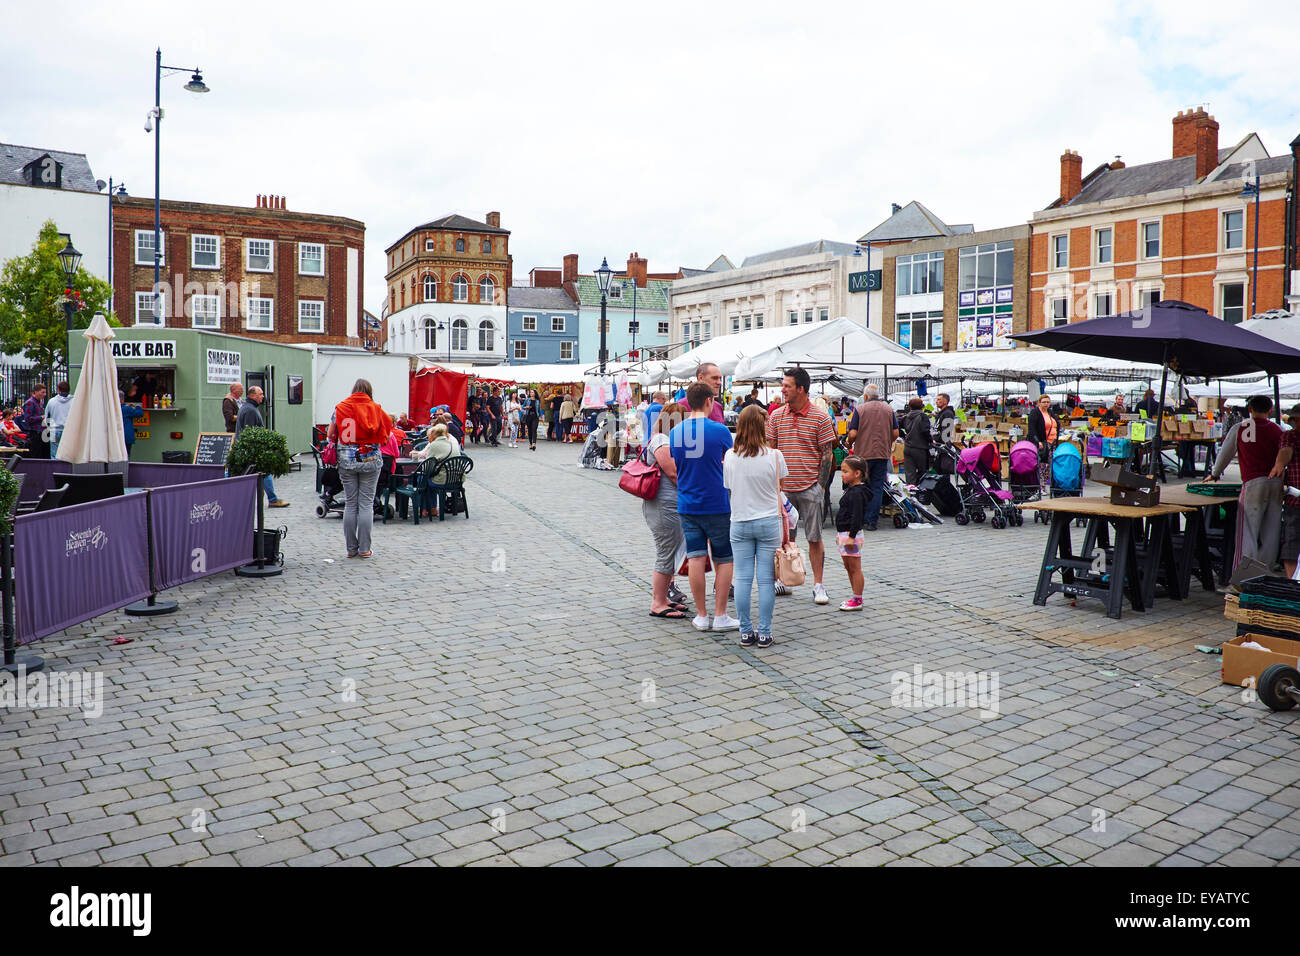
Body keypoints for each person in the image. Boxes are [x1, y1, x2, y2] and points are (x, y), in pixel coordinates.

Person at [767, 367, 838, 605]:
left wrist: (820, 486)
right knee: (782, 538)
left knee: (814, 538)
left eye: (787, 386)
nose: (782, 390)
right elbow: (770, 452)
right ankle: (781, 579)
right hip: (783, 491)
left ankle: (818, 585)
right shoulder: (776, 416)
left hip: (809, 488)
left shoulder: (820, 417)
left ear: (801, 389)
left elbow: (827, 454)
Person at [670, 381, 736, 632]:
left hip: (687, 502)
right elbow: (732, 459)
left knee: (695, 557)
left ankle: (701, 615)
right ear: (709, 401)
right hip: (716, 502)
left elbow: (679, 464)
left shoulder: (676, 432)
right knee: (725, 558)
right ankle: (720, 615)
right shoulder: (719, 430)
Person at [723, 405, 787, 648]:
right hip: (769, 520)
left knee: (742, 578)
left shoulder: (730, 456)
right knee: (765, 580)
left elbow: (729, 487)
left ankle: (745, 631)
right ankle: (764, 632)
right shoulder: (774, 455)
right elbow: (780, 484)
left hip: (739, 521)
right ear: (762, 427)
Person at [1210, 394, 1283, 572]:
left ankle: (1242, 579)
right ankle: (1263, 574)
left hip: (1252, 483)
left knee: (1247, 532)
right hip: (1276, 483)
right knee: (1271, 531)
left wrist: (1215, 473)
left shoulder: (1240, 428)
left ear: (1250, 410)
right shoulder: (1278, 429)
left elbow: (1225, 453)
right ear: (1270, 411)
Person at [328, 379, 392, 558]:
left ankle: (351, 550)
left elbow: (330, 434)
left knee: (350, 503)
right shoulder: (375, 408)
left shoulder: (340, 408)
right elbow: (387, 431)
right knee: (365, 504)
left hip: (347, 461)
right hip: (370, 461)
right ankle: (364, 549)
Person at [642, 402, 689, 620]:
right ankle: (657, 602)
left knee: (670, 550)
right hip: (663, 505)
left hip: (669, 504)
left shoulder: (667, 440)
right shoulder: (661, 440)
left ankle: (664, 597)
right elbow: (672, 472)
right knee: (665, 551)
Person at [847, 383, 899, 535]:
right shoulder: (889, 409)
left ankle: (860, 518)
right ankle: (872, 521)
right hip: (882, 454)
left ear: (865, 396)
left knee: (860, 486)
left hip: (863, 454)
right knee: (877, 487)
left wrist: (849, 442)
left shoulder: (860, 409)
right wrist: (886, 440)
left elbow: (853, 434)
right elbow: (896, 433)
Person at [235, 385, 290, 508]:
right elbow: (250, 433)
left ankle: (270, 498)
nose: (263, 396)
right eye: (261, 394)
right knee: (264, 472)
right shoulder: (250, 410)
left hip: (246, 449)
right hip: (250, 450)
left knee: (261, 473)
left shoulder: (247, 408)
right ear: (252, 395)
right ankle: (271, 499)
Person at [835, 456, 870, 612]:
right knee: (849, 567)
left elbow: (857, 516)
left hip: (851, 534)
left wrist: (851, 536)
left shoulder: (857, 493)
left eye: (845, 471)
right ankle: (855, 596)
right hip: (845, 533)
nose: (842, 474)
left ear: (857, 473)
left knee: (855, 567)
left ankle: (858, 598)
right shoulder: (851, 489)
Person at [900, 397, 932, 485]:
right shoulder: (923, 416)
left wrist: (903, 436)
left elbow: (897, 426)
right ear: (922, 406)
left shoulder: (906, 417)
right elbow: (925, 431)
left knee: (910, 473)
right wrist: (931, 440)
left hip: (907, 447)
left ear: (910, 407)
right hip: (920, 448)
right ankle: (922, 492)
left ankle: (911, 492)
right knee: (923, 472)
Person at [44, 381, 72, 457]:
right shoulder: (74, 401)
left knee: (54, 454)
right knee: (67, 455)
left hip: (54, 430)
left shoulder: (51, 401)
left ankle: (55, 468)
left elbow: (47, 417)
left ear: (58, 390)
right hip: (68, 430)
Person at [1027, 393, 1058, 461]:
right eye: (1044, 402)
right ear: (1039, 403)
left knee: (1051, 462)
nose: (1046, 404)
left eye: (1048, 402)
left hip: (1053, 443)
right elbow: (1031, 429)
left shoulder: (1050, 412)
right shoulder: (1035, 412)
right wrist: (1037, 441)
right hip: (1042, 443)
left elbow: (1056, 424)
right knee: (1042, 463)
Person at [21, 385, 47, 458]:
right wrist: (41, 417)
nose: (44, 394)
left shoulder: (40, 403)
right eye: (42, 392)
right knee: (35, 453)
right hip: (34, 431)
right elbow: (27, 419)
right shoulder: (30, 402)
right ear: (36, 392)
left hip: (40, 431)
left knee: (42, 453)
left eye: (45, 392)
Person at [120, 390, 144, 459]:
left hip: (114, 436)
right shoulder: (126, 409)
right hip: (126, 436)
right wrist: (137, 406)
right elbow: (139, 413)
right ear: (122, 399)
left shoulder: (111, 409)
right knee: (126, 456)